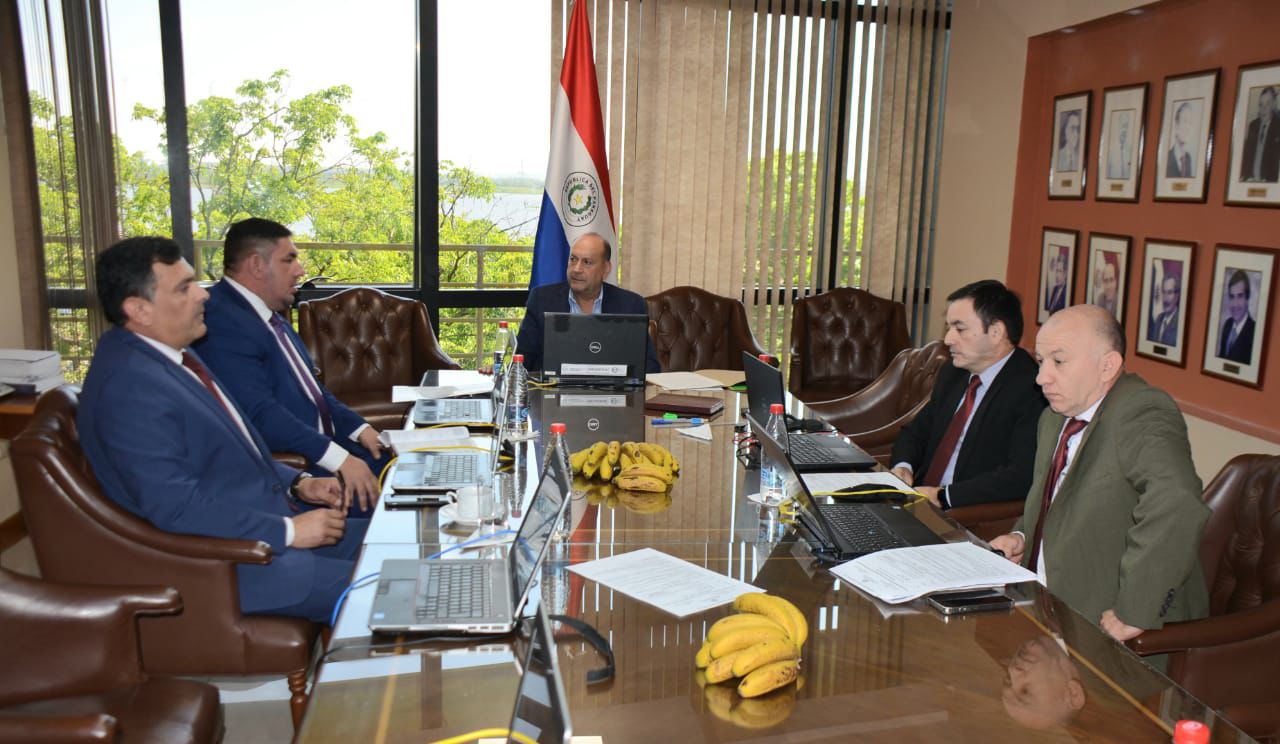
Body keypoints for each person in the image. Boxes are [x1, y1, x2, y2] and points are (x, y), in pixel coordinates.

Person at [78, 236, 367, 624]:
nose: (204, 296)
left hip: (269, 522)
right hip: (236, 566)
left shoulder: (173, 354)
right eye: (184, 287)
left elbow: (230, 454)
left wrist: (299, 483)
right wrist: (287, 531)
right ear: (139, 309)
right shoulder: (129, 386)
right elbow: (175, 507)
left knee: (405, 541)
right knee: (403, 590)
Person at [990, 305, 1209, 644]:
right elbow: (1056, 497)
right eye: (1040, 360)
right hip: (1039, 610)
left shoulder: (1142, 411)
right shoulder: (1054, 417)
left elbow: (1177, 501)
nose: (1041, 377)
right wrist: (1022, 535)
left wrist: (1135, 609)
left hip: (1100, 627)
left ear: (1107, 365)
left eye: (1058, 362)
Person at [195, 218, 389, 510]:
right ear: (257, 266)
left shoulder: (270, 315)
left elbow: (314, 392)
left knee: (426, 471)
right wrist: (340, 460)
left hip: (329, 448)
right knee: (413, 506)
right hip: (303, 467)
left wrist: (360, 429)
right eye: (290, 260)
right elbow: (260, 414)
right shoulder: (222, 321)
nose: (300, 271)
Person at [890, 280, 1046, 508]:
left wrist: (945, 496)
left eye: (960, 329)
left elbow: (1020, 475)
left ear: (995, 332)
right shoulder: (954, 373)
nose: (948, 339)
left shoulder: (1031, 389)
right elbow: (917, 431)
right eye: (949, 327)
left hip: (965, 513)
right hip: (918, 499)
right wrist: (903, 466)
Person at [515, 231, 660, 372]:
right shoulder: (542, 300)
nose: (577, 269)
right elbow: (522, 359)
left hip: (611, 394)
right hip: (555, 393)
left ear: (606, 269)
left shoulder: (630, 305)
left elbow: (649, 366)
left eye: (587, 262)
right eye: (573, 259)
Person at [1241, 85, 1280, 183]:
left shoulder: (1277, 126)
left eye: (1268, 103)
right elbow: (1246, 157)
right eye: (1261, 104)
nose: (1264, 109)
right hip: (1250, 182)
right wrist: (1247, 177)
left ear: (1274, 104)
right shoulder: (1253, 126)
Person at [1217, 269, 1256, 364]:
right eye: (1232, 297)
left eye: (1240, 296)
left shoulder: (1254, 332)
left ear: (1247, 298)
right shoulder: (1227, 324)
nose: (1235, 304)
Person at [1146, 271, 1180, 347]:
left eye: (1169, 292)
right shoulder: (1159, 319)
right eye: (1164, 292)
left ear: (1177, 296)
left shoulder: (1180, 322)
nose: (1165, 299)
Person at [1166, 100, 1196, 178]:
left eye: (1190, 122)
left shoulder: (1188, 159)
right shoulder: (1167, 158)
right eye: (1185, 121)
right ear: (1176, 125)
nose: (1188, 127)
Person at [1105, 111, 1133, 180]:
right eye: (1123, 126)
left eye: (1126, 126)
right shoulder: (1110, 151)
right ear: (1118, 126)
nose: (1124, 130)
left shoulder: (1130, 151)